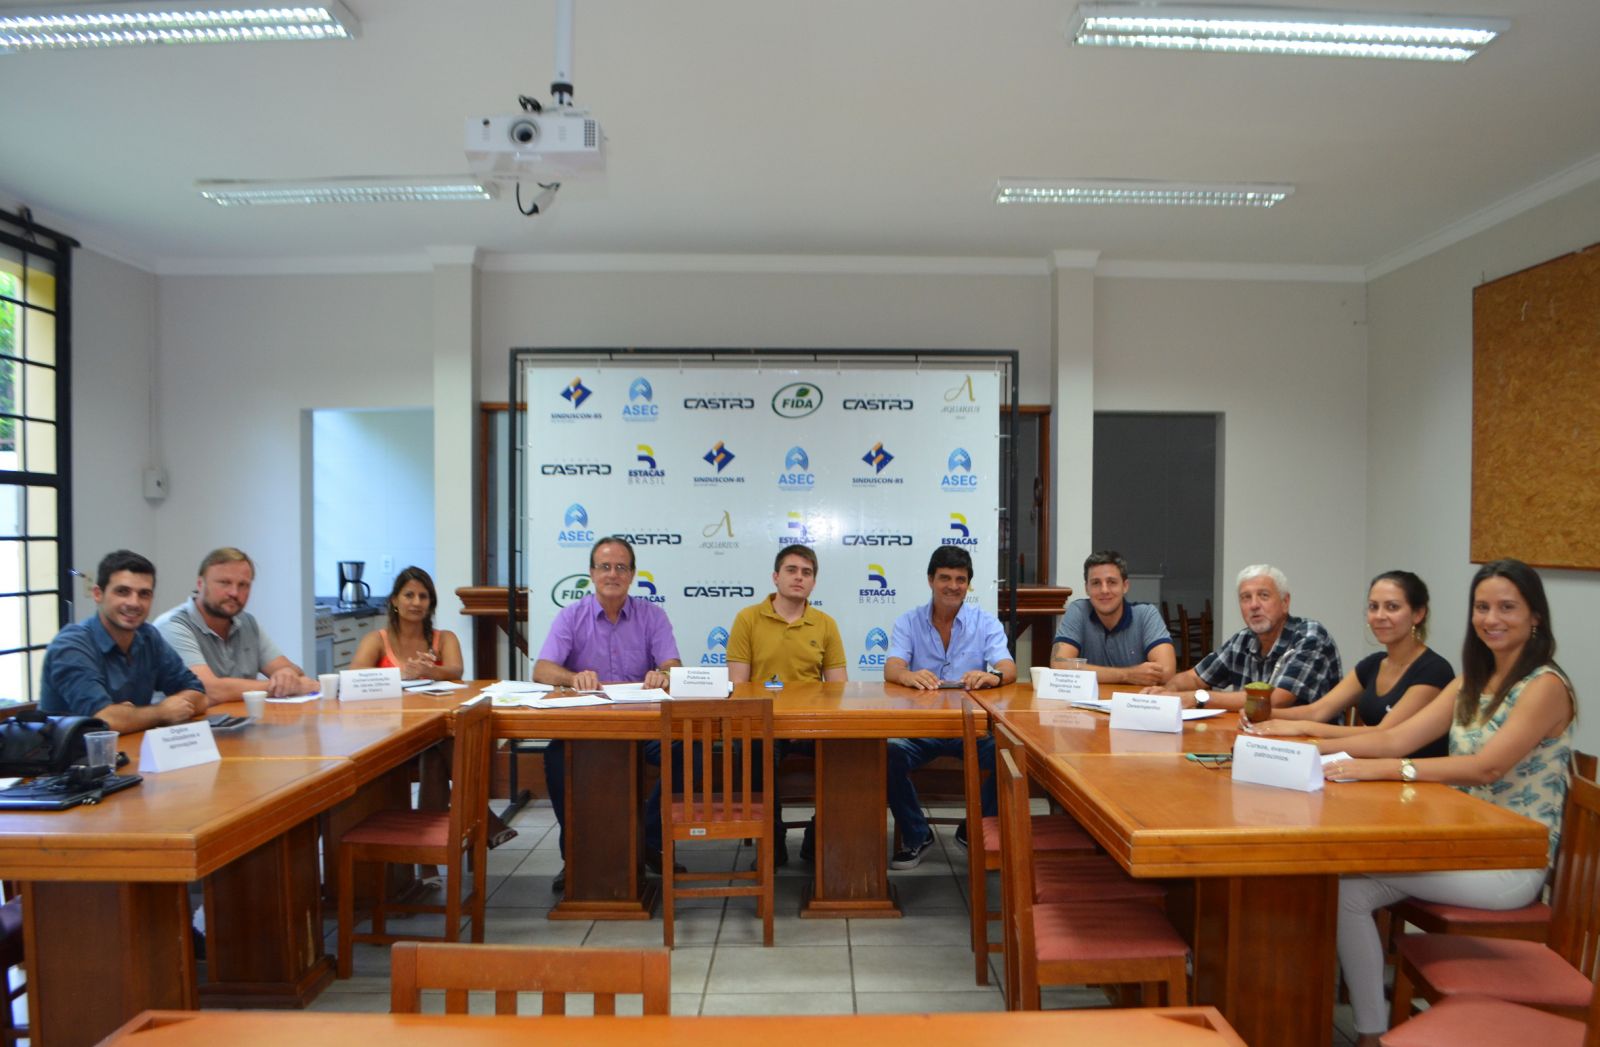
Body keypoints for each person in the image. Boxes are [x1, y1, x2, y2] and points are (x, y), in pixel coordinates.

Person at [1319, 560, 1575, 1047]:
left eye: (1507, 608)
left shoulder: (1544, 686)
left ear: (1535, 617)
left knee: (1347, 886)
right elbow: (1396, 740)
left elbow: (1486, 767)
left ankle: (1370, 1034)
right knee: (1347, 888)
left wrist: (1393, 770)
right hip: (1461, 844)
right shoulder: (1471, 682)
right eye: (1482, 607)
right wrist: (1308, 750)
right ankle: (1372, 1031)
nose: (1491, 619)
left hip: (1509, 864)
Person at [533, 536, 682, 888]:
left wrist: (663, 674)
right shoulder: (572, 615)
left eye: (621, 567)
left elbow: (675, 666)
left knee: (685, 751)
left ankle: (647, 840)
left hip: (643, 727)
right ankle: (577, 855)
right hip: (587, 727)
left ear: (631, 575)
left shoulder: (652, 615)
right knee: (555, 760)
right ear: (591, 573)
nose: (612, 574)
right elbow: (541, 670)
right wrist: (572, 677)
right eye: (605, 567)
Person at [883, 546, 1016, 868]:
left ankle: (974, 829)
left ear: (968, 584)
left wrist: (992, 677)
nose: (953, 586)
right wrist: (909, 675)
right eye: (945, 578)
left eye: (961, 579)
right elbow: (892, 668)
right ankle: (917, 834)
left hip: (970, 728)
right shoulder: (909, 621)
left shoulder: (985, 622)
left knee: (1008, 754)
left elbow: (1008, 668)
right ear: (930, 580)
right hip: (920, 729)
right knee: (885, 752)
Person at [727, 544, 848, 864]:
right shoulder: (748, 618)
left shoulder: (825, 624)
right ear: (775, 577)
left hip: (812, 723)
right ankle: (773, 839)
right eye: (792, 570)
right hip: (763, 723)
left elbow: (838, 689)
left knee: (851, 751)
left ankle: (817, 834)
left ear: (814, 582)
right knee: (752, 749)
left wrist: (806, 721)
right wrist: (779, 722)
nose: (799, 577)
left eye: (807, 573)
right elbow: (739, 686)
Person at [1246, 570, 1452, 757]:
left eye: (1392, 607)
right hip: (1370, 768)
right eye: (1373, 607)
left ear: (1418, 614)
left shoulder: (1434, 670)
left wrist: (1302, 728)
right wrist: (1261, 715)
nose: (1379, 616)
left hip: (1419, 784)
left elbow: (1384, 734)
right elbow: (1317, 711)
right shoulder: (1373, 664)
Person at [39, 549, 207, 732]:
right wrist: (161, 712)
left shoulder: (148, 636)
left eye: (144, 594)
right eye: (122, 592)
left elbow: (199, 695)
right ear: (98, 594)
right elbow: (104, 720)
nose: (134, 603)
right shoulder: (71, 645)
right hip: (71, 757)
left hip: (129, 752)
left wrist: (133, 716)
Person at [1152, 564, 1342, 711]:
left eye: (1264, 596)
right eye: (1245, 598)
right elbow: (1195, 678)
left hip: (1312, 748)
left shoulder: (1310, 636)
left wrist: (1197, 697)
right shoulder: (1243, 639)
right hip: (1257, 739)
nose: (1254, 605)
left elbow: (1275, 701)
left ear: (1285, 602)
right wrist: (1166, 691)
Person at [155, 546, 318, 702]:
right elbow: (206, 688)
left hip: (239, 723)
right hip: (185, 728)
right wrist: (275, 686)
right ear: (200, 584)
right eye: (224, 583)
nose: (234, 593)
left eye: (243, 585)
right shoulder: (172, 625)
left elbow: (292, 672)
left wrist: (286, 674)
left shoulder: (247, 623)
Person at [1049, 550, 1175, 685]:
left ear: (1125, 586)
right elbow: (1059, 665)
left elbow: (1166, 671)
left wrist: (1084, 671)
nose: (1104, 590)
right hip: (1087, 704)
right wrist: (1127, 675)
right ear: (1087, 588)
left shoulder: (1146, 615)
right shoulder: (1078, 611)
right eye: (1096, 583)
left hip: (1134, 703)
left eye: (1112, 582)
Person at [349, 566, 464, 680]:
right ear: (394, 600)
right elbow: (354, 673)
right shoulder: (376, 639)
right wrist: (402, 673)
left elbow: (456, 671)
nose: (417, 602)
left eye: (423, 596)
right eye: (409, 595)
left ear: (430, 603)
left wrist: (429, 670)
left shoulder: (446, 638)